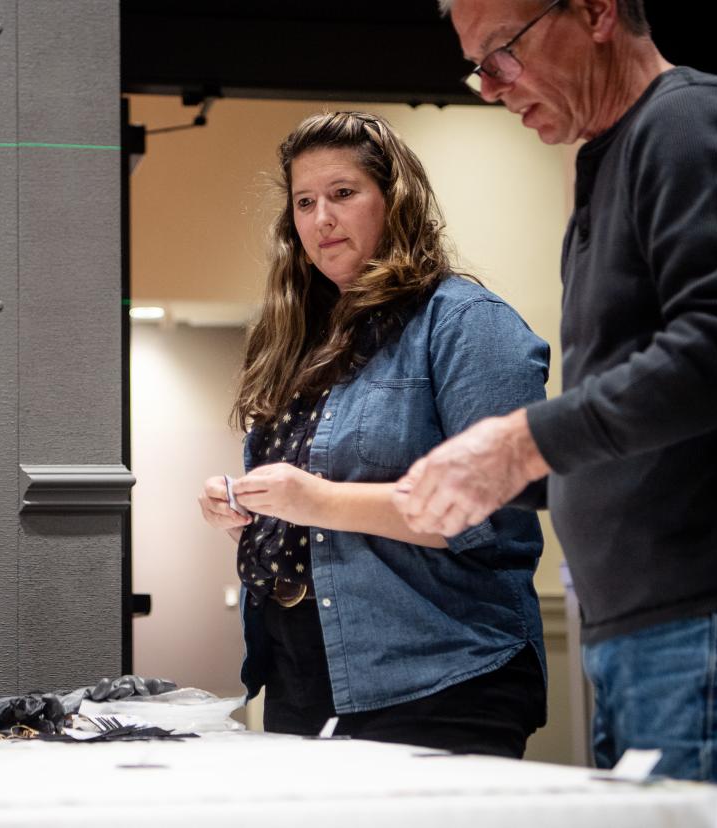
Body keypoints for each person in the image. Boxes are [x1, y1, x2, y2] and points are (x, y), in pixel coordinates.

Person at [392, 2, 717, 825]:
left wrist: (524, 443)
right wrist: (493, 475)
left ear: (594, 11)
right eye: (477, 67)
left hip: (715, 640)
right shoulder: (615, 157)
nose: (491, 87)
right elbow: (648, 416)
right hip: (662, 648)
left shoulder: (691, 123)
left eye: (504, 54)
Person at [197, 111, 550, 755]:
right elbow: (309, 496)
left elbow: (491, 510)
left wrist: (319, 502)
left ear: (396, 201)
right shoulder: (296, 340)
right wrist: (245, 506)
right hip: (299, 676)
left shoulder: (468, 324)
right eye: (304, 202)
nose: (321, 219)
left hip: (441, 677)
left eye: (342, 193)